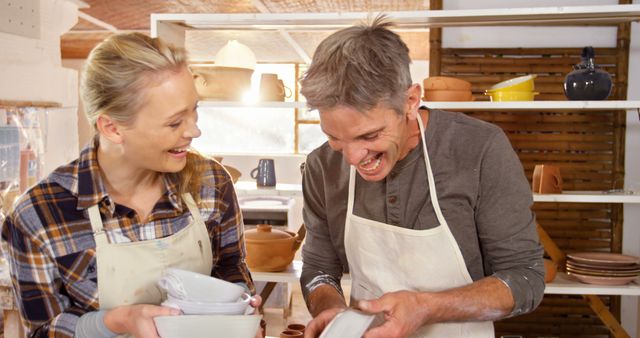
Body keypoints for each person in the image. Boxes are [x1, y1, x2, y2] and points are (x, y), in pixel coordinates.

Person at [298, 16, 544, 338]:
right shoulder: (321, 166)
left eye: (369, 136)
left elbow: (525, 277)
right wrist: (330, 310)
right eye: (335, 138)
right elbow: (319, 269)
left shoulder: (479, 149)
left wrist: (426, 306)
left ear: (411, 101)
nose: (353, 158)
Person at [1, 32, 259, 338]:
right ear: (112, 127)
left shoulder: (212, 183)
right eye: (175, 122)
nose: (195, 131)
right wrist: (117, 322)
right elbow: (42, 331)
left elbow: (231, 264)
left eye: (195, 110)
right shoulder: (38, 215)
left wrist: (240, 311)